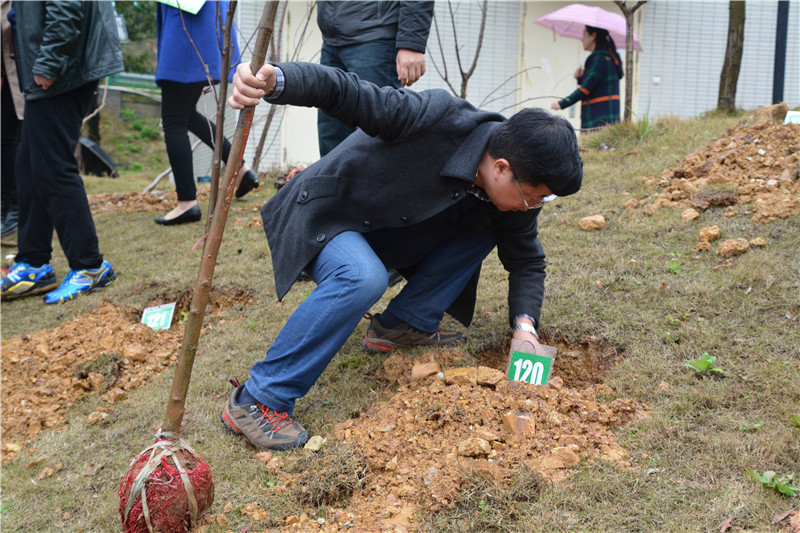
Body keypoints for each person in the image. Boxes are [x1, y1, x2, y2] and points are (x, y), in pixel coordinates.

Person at [220, 60, 583, 450]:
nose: (534, 206)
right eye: (534, 197)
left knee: (484, 231)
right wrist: (277, 79)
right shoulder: (438, 118)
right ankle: (259, 399)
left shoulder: (515, 197)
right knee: (362, 276)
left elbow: (526, 260)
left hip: (388, 235)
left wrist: (525, 328)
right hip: (329, 215)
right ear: (501, 168)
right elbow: (347, 92)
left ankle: (401, 326)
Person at [0, 1, 121, 303]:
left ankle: (89, 266)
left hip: (62, 69)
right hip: (49, 66)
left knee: (53, 167)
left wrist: (48, 63)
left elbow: (66, 7)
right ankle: (33, 262)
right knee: (28, 164)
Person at [154, 1, 259, 226]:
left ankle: (187, 202)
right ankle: (240, 169)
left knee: (173, 121)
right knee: (186, 116)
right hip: (205, 33)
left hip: (185, 36)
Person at [316, 0, 434, 157]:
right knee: (332, 139)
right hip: (332, 40)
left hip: (376, 38)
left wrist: (411, 43)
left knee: (373, 141)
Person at [550, 25, 624, 131]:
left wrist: (562, 103)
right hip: (607, 119)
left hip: (598, 121)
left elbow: (585, 89)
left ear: (593, 35)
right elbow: (596, 86)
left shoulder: (598, 58)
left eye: (584, 34)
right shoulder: (607, 58)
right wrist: (580, 78)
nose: (581, 38)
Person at [1, 0, 23, 239]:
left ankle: (15, 208)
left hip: (22, 77)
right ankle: (6, 206)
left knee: (9, 142)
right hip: (6, 78)